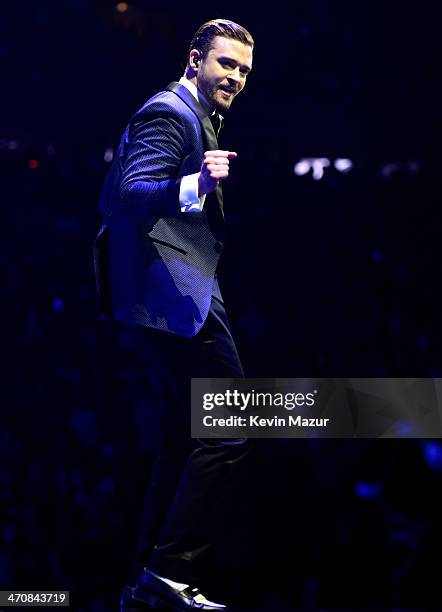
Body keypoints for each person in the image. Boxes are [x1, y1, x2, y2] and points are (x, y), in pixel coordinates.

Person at [94, 18, 254, 611]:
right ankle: (168, 570)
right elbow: (128, 195)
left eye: (243, 71)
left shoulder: (198, 112)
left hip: (177, 290)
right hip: (171, 292)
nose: (235, 78)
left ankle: (144, 584)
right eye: (226, 65)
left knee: (182, 434)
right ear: (195, 61)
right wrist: (193, 184)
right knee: (233, 423)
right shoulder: (168, 112)